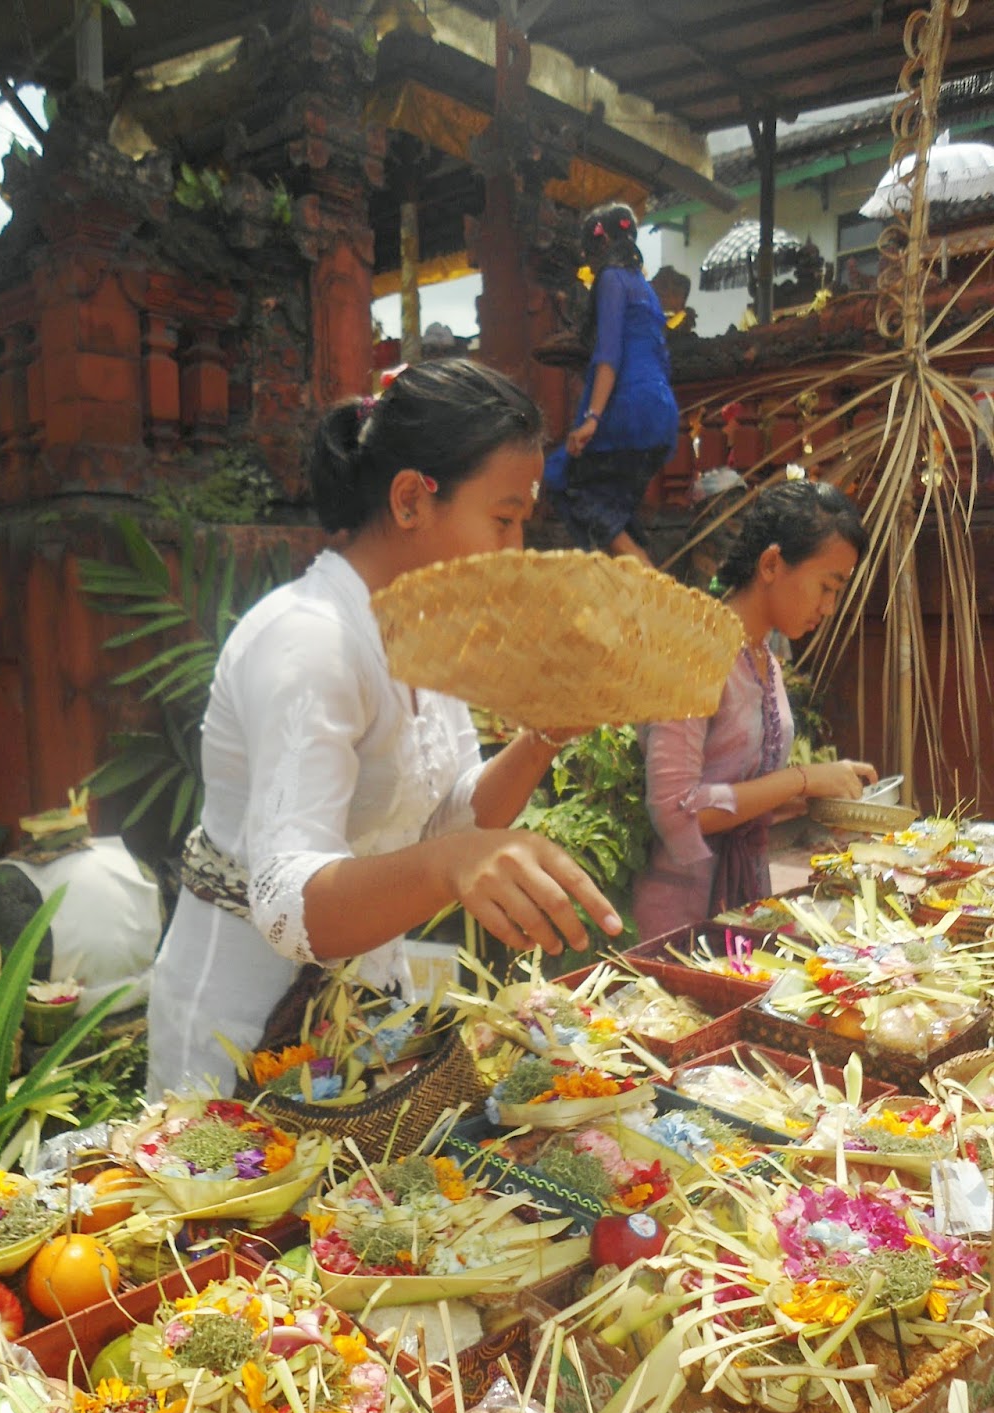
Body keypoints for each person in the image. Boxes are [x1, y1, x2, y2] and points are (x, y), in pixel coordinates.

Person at [148, 359, 623, 1097]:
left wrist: (544, 737)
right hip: (240, 1029)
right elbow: (288, 902)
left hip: (360, 1011)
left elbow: (454, 815)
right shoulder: (309, 640)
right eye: (502, 520)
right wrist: (450, 865)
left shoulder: (421, 632)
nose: (515, 552)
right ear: (410, 500)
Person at [632, 478, 878, 940]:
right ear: (771, 564)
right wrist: (803, 779)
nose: (828, 607)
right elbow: (677, 811)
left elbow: (742, 788)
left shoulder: (764, 659)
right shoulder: (694, 652)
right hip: (681, 915)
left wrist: (822, 792)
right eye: (826, 586)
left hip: (741, 899)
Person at [543, 203, 679, 565]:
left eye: (589, 257)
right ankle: (639, 580)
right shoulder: (645, 288)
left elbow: (608, 353)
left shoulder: (611, 280)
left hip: (627, 410)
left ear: (600, 245)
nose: (590, 267)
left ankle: (648, 581)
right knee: (617, 511)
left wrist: (592, 418)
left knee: (567, 480)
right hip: (661, 413)